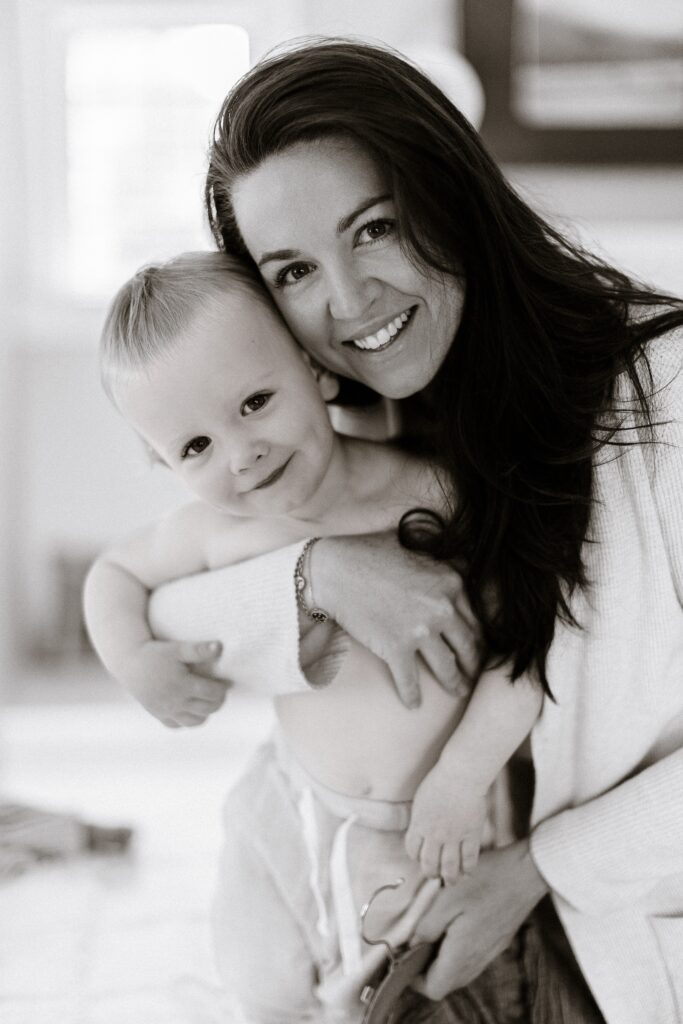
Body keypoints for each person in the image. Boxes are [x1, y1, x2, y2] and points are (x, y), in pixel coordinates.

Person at [120, 38, 683, 1024]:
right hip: (415, 920)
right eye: (293, 270)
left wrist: (535, 868)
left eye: (374, 228)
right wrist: (320, 573)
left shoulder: (664, 393)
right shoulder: (360, 427)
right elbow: (165, 597)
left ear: (449, 193)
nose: (346, 302)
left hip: (618, 922)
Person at [83, 251, 543, 1023]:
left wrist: (461, 777)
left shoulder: (432, 493)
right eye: (193, 448)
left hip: (439, 810)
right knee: (260, 975)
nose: (240, 453)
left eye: (255, 403)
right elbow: (113, 573)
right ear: (158, 460)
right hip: (292, 801)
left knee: (422, 988)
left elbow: (524, 650)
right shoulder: (220, 530)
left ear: (315, 372)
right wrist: (134, 660)